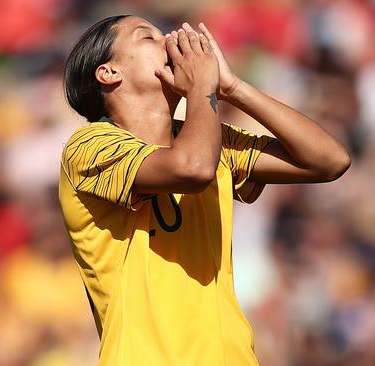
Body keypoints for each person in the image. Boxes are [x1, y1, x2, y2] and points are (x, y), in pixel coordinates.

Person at [59, 15, 350, 365]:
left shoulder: (208, 136)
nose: (168, 38)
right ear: (109, 73)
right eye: (146, 37)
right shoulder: (89, 146)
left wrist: (233, 88)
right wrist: (203, 90)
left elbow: (329, 161)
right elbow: (193, 169)